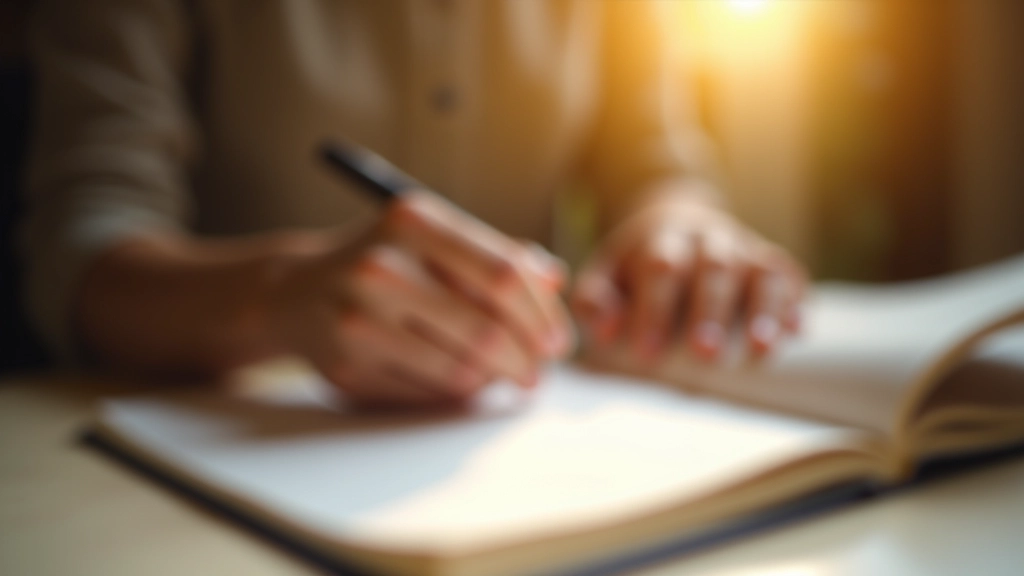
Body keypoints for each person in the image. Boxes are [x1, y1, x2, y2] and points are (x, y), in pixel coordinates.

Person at [23, 0, 805, 408]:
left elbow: (653, 161)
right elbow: (81, 249)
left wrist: (679, 224)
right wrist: (276, 296)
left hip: (513, 429)